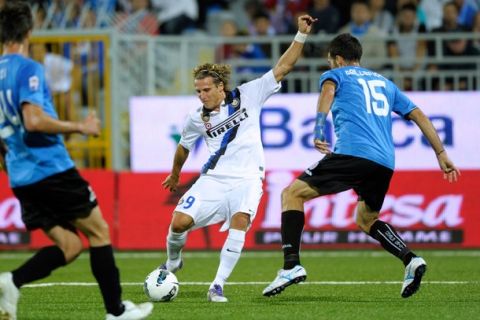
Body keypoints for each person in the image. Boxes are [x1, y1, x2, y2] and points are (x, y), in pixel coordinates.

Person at [263, 33, 460, 299]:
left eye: (331, 61)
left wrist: (319, 128)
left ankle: (291, 266)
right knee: (366, 219)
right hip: (384, 163)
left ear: (339, 59)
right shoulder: (385, 83)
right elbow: (418, 114)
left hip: (353, 154)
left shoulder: (338, 74)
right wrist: (441, 153)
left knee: (291, 194)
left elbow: (328, 90)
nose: (330, 66)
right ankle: (410, 260)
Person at [0, 2, 153, 320]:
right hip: (50, 168)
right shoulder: (28, 68)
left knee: (70, 245)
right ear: (29, 31)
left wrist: (8, 161)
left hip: (20, 175)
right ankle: (117, 311)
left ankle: (11, 281)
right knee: (99, 232)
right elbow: (33, 120)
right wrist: (79, 127)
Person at [160, 14, 316, 303]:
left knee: (239, 222)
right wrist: (175, 173)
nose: (202, 95)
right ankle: (172, 262)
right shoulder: (196, 118)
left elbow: (283, 67)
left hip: (247, 178)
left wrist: (301, 35)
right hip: (214, 179)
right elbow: (184, 146)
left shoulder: (249, 95)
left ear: (221, 87)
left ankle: (217, 285)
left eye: (206, 90)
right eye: (198, 91)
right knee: (179, 223)